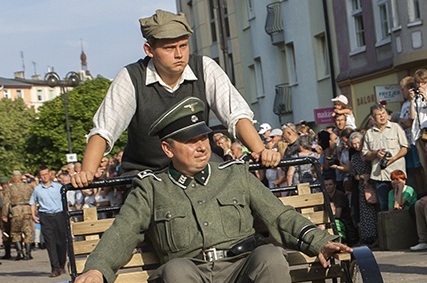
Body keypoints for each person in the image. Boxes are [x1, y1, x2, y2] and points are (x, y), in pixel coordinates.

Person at [67, 97, 351, 283]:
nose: (201, 146)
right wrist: (97, 268)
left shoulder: (234, 175)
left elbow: (279, 216)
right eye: (189, 141)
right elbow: (122, 232)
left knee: (269, 256)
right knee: (175, 269)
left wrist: (318, 240)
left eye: (202, 137)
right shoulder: (152, 188)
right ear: (168, 149)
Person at [72, 9, 278, 187]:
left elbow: (236, 114)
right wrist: (87, 171)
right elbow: (104, 130)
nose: (179, 54)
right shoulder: (131, 77)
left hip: (199, 167)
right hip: (148, 174)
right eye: (169, 48)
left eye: (183, 45)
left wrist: (260, 150)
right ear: (149, 50)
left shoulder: (205, 67)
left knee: (238, 189)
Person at [362, 103, 409, 211]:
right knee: (384, 206)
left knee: (400, 205)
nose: (382, 116)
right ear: (373, 118)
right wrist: (375, 153)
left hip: (397, 174)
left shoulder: (396, 128)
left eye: (383, 113)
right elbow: (365, 155)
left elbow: (405, 148)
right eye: (378, 115)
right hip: (380, 176)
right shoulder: (369, 133)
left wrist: (394, 158)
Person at [30, 166, 67, 277]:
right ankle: (54, 268)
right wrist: (33, 215)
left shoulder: (58, 187)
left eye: (46, 174)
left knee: (61, 242)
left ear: (50, 174)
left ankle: (61, 264)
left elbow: (65, 202)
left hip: (59, 215)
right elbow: (32, 202)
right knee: (50, 243)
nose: (45, 177)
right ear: (40, 176)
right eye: (42, 175)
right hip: (45, 216)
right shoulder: (37, 189)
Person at [349, 132, 378, 246]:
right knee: (366, 212)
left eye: (358, 142)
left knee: (377, 209)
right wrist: (361, 177)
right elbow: (353, 174)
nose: (356, 146)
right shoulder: (354, 158)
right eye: (354, 144)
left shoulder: (369, 153)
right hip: (363, 186)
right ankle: (368, 237)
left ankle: (378, 236)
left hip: (374, 182)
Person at [3, 170, 34, 261]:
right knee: (28, 231)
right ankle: (28, 253)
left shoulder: (10, 188)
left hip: (16, 211)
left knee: (15, 232)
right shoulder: (28, 187)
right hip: (27, 210)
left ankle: (20, 253)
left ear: (13, 178)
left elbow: (6, 203)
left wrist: (4, 215)